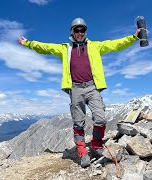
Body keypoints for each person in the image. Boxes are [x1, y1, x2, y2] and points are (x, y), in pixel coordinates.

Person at [18, 17, 141, 168]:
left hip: (92, 87)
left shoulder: (95, 46)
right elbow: (46, 47)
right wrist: (28, 43)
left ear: (85, 32)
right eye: (77, 30)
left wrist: (133, 37)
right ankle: (82, 152)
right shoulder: (65, 49)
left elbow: (115, 44)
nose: (80, 33)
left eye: (82, 30)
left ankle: (96, 145)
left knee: (100, 118)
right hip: (75, 88)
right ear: (72, 32)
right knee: (78, 121)